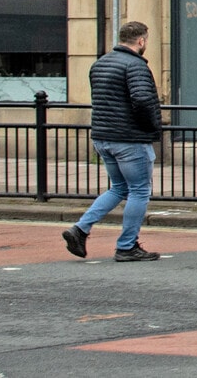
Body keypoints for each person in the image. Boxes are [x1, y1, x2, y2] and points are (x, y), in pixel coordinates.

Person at [63, 20, 164, 262]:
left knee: (119, 188)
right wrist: (152, 128)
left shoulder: (100, 64)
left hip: (103, 137)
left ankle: (80, 229)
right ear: (141, 41)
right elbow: (142, 101)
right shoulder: (136, 66)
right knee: (139, 190)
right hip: (129, 138)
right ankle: (127, 246)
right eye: (146, 41)